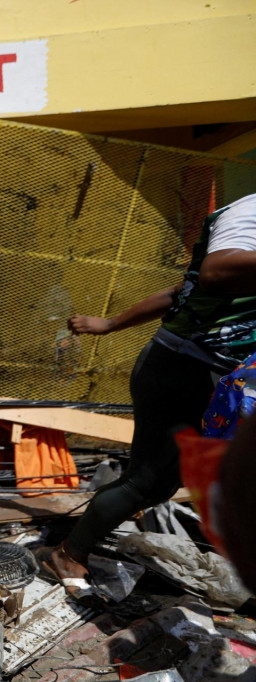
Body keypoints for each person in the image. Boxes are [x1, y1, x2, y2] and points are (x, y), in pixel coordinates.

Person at [48, 193, 256, 600]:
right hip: (181, 368)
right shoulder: (250, 211)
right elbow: (213, 273)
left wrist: (108, 324)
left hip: (209, 375)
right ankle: (68, 553)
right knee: (147, 483)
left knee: (162, 483)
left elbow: (183, 290)